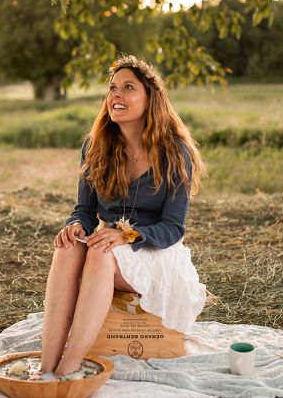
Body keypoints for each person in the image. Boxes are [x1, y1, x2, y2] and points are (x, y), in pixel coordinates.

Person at [41, 54, 207, 376]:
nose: (116, 95)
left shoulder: (175, 153)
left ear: (149, 99)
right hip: (107, 247)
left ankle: (69, 368)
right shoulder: (95, 145)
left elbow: (173, 227)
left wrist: (127, 235)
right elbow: (86, 210)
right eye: (113, 88)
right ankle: (46, 367)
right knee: (69, 248)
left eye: (128, 88)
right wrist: (75, 226)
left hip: (154, 253)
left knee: (102, 253)